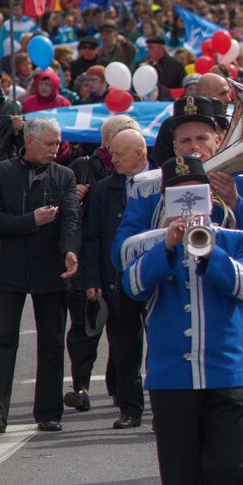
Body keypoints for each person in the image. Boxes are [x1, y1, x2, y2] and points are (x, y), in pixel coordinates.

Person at [114, 94, 243, 485]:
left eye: (201, 138)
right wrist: (165, 231)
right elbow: (122, 252)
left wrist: (235, 202)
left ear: (219, 139)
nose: (192, 147)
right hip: (181, 330)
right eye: (183, 139)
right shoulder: (151, 188)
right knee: (187, 447)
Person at [120, 156, 243, 485]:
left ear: (210, 197)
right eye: (179, 195)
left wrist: (207, 250)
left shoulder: (235, 239)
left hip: (224, 373)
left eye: (196, 194)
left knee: (227, 468)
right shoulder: (149, 244)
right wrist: (168, 247)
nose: (188, 205)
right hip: (171, 379)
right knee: (179, 481)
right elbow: (133, 287)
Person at [0, 117, 81, 434]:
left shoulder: (64, 175)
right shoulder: (1, 172)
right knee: (4, 340)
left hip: (51, 269)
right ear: (30, 141)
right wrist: (31, 221)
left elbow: (71, 220)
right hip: (7, 271)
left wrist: (69, 250)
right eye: (50, 143)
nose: (56, 149)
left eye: (58, 143)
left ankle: (49, 412)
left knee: (51, 342)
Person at [63, 113, 140, 413]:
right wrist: (75, 199)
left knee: (124, 336)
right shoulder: (84, 167)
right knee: (87, 328)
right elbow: (73, 220)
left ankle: (120, 391)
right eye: (119, 137)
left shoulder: (147, 176)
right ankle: (80, 385)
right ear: (107, 142)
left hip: (130, 267)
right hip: (93, 263)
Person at [79, 126, 151, 430]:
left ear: (140, 153)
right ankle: (130, 408)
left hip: (157, 278)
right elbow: (92, 237)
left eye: (118, 155)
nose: (112, 160)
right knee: (123, 351)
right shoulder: (104, 189)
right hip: (117, 281)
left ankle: (164, 408)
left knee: (162, 348)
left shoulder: (163, 182)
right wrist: (92, 280)